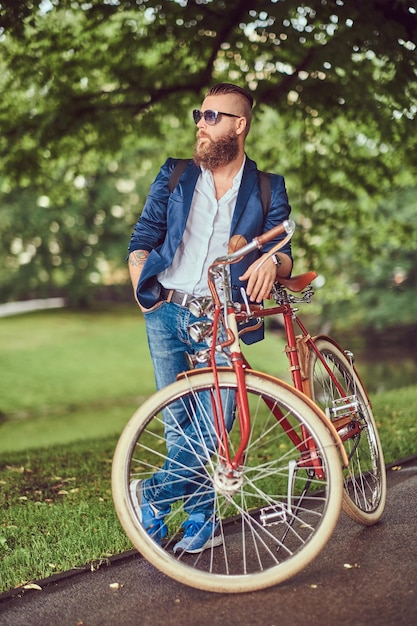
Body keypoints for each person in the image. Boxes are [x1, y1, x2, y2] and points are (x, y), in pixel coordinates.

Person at [127, 83, 293, 553]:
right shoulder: (176, 174)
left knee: (216, 420)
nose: (201, 122)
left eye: (213, 116)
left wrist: (270, 262)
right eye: (199, 114)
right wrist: (140, 284)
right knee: (178, 419)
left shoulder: (267, 188)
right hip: (166, 312)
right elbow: (144, 235)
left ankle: (154, 495)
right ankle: (201, 517)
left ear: (240, 125)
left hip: (225, 318)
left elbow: (285, 257)